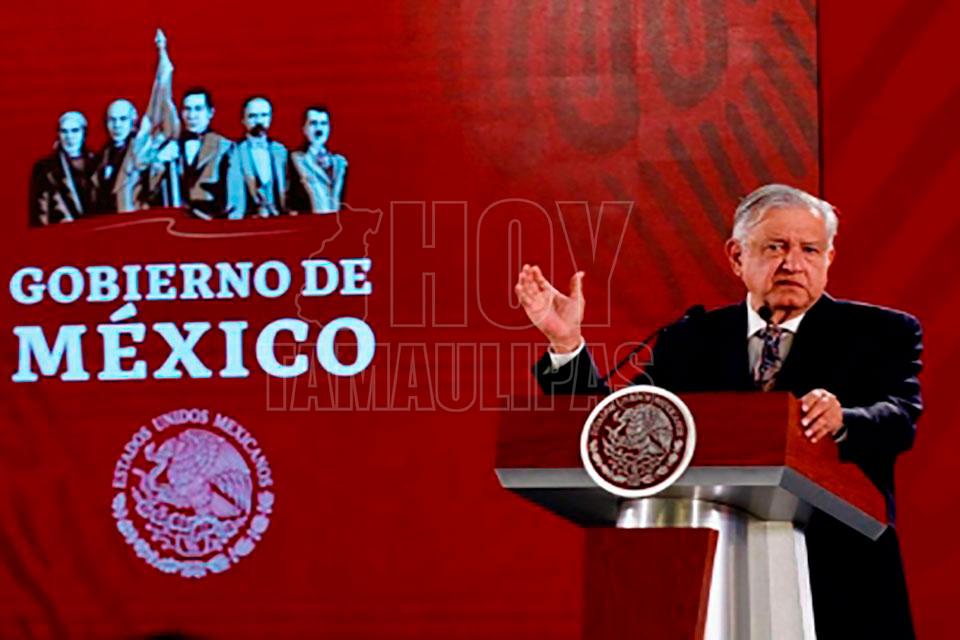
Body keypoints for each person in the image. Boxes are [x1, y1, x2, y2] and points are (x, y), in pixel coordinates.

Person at [516, 183, 921, 639]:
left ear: (829, 258)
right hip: (704, 583)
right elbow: (618, 430)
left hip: (840, 579)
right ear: (736, 256)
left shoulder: (882, 332)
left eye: (809, 249)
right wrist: (566, 344)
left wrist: (845, 419)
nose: (793, 263)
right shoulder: (690, 338)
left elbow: (900, 416)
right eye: (775, 247)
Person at [151, 87, 243, 219]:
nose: (191, 115)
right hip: (175, 224)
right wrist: (158, 163)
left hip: (212, 224)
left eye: (198, 109)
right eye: (187, 109)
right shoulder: (169, 146)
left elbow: (235, 201)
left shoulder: (226, 147)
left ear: (210, 113)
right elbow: (149, 193)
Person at [29, 111, 95, 226]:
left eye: (75, 130)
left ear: (84, 133)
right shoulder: (45, 168)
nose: (69, 137)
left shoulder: (97, 161)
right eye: (64, 131)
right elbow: (40, 212)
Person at [233, 96, 288, 218]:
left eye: (264, 115)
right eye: (252, 116)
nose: (259, 121)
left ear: (270, 118)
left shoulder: (281, 151)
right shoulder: (234, 152)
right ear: (243, 120)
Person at [288, 106, 348, 214]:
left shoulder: (340, 162)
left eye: (323, 123)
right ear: (304, 128)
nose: (319, 129)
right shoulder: (296, 159)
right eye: (313, 123)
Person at [92, 99, 142, 213]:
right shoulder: (101, 156)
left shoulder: (142, 152)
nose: (117, 125)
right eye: (112, 120)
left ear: (133, 121)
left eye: (123, 119)